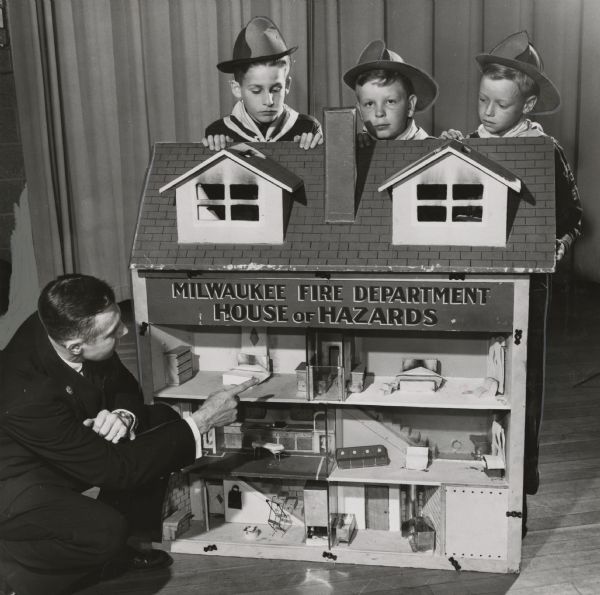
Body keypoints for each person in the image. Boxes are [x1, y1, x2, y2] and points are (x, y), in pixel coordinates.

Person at [0, 274, 257, 595]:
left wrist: (125, 415)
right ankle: (16, 575)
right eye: (112, 333)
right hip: (14, 486)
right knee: (105, 533)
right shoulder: (24, 391)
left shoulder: (65, 321)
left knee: (159, 419)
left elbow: (124, 386)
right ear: (76, 347)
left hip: (62, 443)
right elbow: (116, 471)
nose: (123, 332)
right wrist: (203, 420)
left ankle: (122, 547)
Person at [440, 31, 583, 534]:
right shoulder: (469, 143)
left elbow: (573, 217)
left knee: (521, 389)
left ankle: (515, 496)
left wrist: (555, 249)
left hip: (527, 289)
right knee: (473, 383)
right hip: (475, 284)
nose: (487, 111)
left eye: (501, 104)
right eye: (482, 99)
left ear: (529, 105)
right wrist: (451, 154)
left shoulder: (545, 151)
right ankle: (468, 484)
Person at [203, 16, 322, 151]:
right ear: (237, 88)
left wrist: (318, 151)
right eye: (256, 91)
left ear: (287, 85)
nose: (268, 101)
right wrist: (214, 154)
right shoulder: (218, 133)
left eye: (276, 89)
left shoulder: (308, 128)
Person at [343, 39, 438, 143]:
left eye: (390, 101)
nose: (379, 113)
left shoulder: (429, 147)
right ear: (360, 111)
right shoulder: (354, 147)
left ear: (410, 106)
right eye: (369, 104)